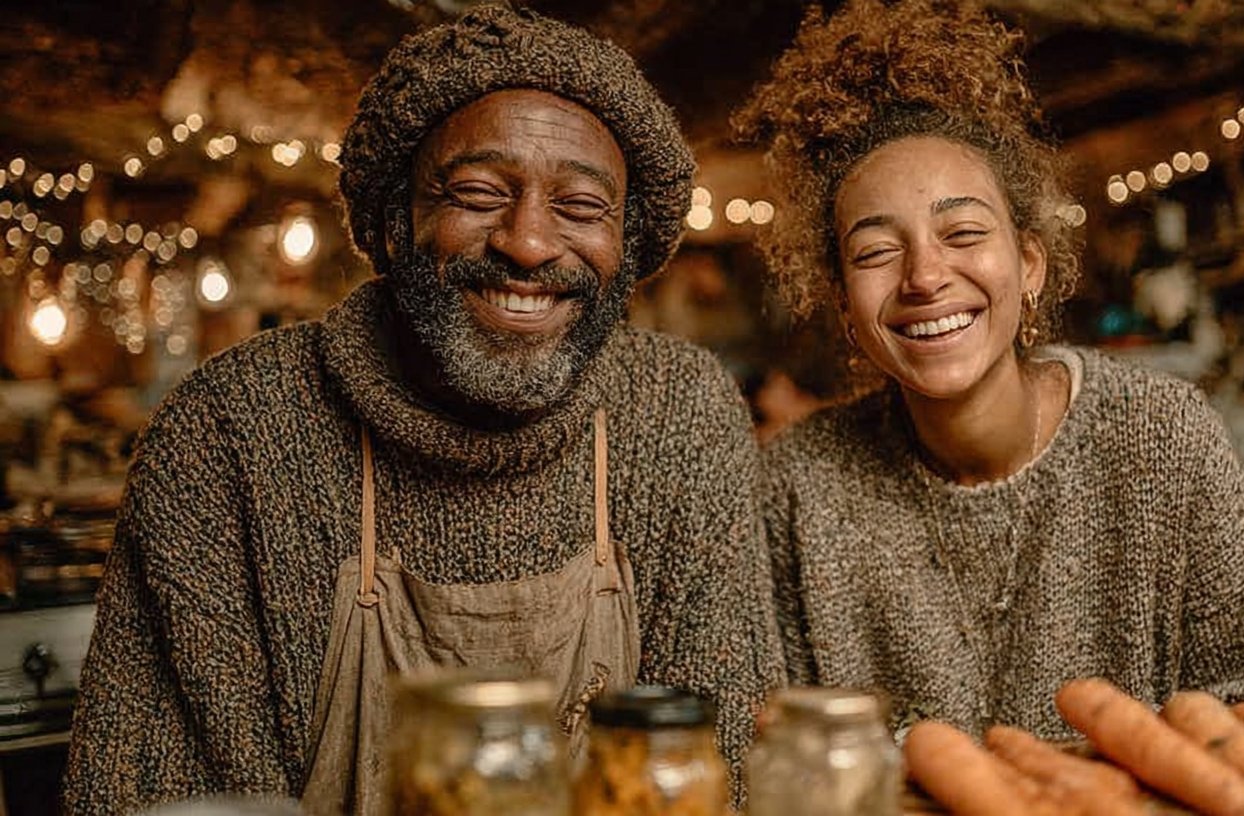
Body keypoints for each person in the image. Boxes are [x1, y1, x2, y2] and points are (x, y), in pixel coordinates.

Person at [64, 6, 783, 814]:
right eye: (477, 193)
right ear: (392, 222)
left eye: (581, 207)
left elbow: (724, 770)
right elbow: (162, 798)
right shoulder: (231, 433)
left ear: (630, 243)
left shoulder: (680, 415)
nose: (530, 243)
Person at [735, 0, 1244, 740]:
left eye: (963, 232)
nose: (925, 276)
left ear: (1029, 264)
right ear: (844, 304)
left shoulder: (1164, 436)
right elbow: (774, 747)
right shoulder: (797, 490)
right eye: (876, 252)